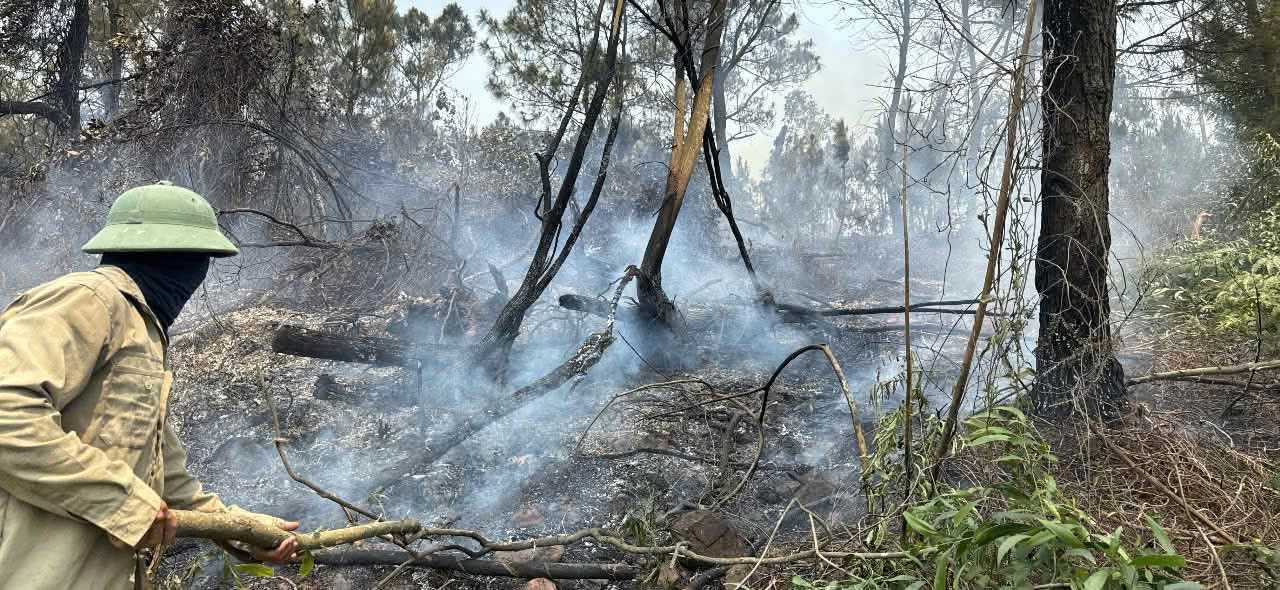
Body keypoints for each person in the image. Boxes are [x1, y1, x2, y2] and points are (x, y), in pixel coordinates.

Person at [0, 181, 297, 589]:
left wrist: (243, 529)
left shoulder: (143, 332)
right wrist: (125, 504)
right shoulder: (89, 299)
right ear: (173, 255)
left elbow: (166, 480)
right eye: (199, 259)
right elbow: (6, 415)